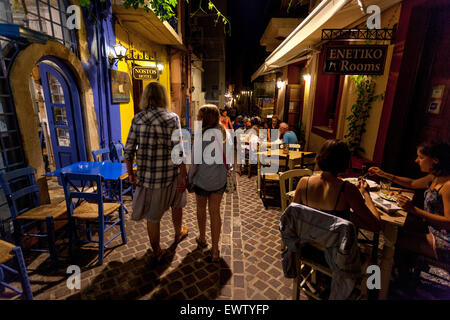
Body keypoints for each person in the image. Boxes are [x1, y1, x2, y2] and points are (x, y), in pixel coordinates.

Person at [124, 82, 189, 263]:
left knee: (152, 216)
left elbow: (128, 150)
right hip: (170, 174)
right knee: (177, 204)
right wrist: (183, 176)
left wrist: (131, 174)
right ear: (163, 97)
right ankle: (178, 233)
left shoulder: (137, 119)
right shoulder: (172, 118)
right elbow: (179, 151)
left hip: (147, 178)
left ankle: (157, 250)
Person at [368, 141, 450, 264]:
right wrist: (383, 174)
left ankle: (395, 275)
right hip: (431, 229)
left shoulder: (447, 186)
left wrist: (414, 210)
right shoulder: (434, 177)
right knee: (396, 230)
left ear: (435, 160)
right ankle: (400, 270)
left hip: (445, 240)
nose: (416, 160)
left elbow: (448, 223)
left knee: (394, 241)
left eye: (421, 157)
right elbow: (411, 183)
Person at [293, 139, 381, 233]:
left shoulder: (304, 182)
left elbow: (293, 214)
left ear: (320, 157)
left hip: (307, 242)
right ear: (345, 162)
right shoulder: (347, 189)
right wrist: (366, 194)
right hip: (333, 246)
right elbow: (376, 226)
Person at [189, 104, 228, 263]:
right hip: (218, 181)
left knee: (201, 209)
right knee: (215, 212)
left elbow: (194, 163)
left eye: (199, 117)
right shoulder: (224, 134)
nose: (197, 119)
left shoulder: (200, 137)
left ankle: (203, 238)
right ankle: (215, 249)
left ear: (205, 119)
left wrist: (189, 179)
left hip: (202, 180)